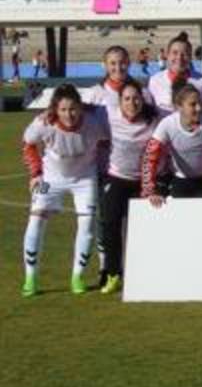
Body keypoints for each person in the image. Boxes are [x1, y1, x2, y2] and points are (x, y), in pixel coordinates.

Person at [20, 85, 110, 297]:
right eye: (63, 109)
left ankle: (77, 277)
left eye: (73, 109)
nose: (68, 114)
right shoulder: (43, 123)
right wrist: (35, 173)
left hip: (84, 178)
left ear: (80, 107)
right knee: (35, 220)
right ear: (55, 109)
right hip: (50, 178)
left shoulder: (94, 122)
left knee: (87, 223)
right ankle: (30, 277)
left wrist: (103, 167)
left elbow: (107, 142)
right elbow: (28, 143)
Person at [93, 78, 157, 293]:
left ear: (143, 99)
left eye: (136, 98)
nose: (132, 103)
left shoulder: (154, 118)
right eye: (127, 99)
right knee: (110, 224)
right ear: (119, 102)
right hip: (117, 178)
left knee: (140, 230)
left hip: (143, 182)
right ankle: (113, 274)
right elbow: (85, 111)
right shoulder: (109, 115)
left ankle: (142, 272)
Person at [141, 83, 202, 205]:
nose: (199, 108)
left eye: (200, 103)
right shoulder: (167, 124)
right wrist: (150, 190)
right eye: (193, 104)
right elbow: (150, 157)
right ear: (179, 107)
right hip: (182, 180)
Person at [148, 34, 202, 116]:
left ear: (190, 57)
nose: (179, 57)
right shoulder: (155, 81)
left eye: (184, 54)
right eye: (175, 53)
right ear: (167, 55)